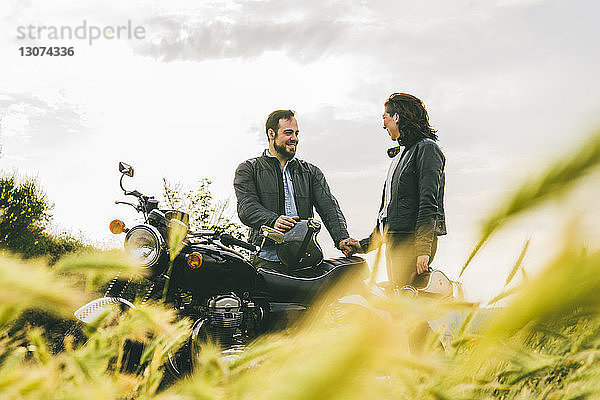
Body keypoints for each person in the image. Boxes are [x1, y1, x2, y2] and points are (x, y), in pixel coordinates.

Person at [234, 109, 357, 273]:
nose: (295, 139)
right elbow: (246, 207)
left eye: (297, 133)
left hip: (305, 258)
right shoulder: (249, 169)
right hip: (266, 260)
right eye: (288, 133)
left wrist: (341, 238)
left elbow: (329, 208)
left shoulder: (311, 172)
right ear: (271, 134)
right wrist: (273, 220)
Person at [348, 93, 446, 290]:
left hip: (411, 242)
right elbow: (388, 213)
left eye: (385, 117)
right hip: (396, 241)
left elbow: (429, 202)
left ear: (397, 117)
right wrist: (364, 244)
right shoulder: (401, 156)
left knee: (405, 310)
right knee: (399, 308)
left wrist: (422, 249)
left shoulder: (427, 149)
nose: (383, 125)